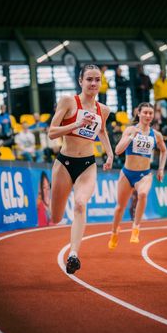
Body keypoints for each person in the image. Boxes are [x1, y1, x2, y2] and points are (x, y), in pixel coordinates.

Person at [48, 64, 114, 274]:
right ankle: (56, 208)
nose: (93, 83)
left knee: (79, 204)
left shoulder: (104, 110)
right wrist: (76, 124)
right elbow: (51, 132)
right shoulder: (68, 101)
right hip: (64, 163)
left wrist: (110, 153)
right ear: (81, 81)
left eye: (97, 80)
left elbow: (102, 131)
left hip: (87, 164)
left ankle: (74, 254)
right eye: (89, 79)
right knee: (56, 217)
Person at [108, 102, 167, 249]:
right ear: (138, 113)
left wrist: (160, 169)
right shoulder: (130, 130)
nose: (148, 115)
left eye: (150, 113)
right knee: (119, 208)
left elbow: (164, 151)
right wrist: (130, 138)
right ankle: (114, 232)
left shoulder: (156, 135)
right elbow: (117, 151)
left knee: (142, 195)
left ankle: (136, 228)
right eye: (145, 112)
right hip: (127, 174)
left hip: (145, 174)